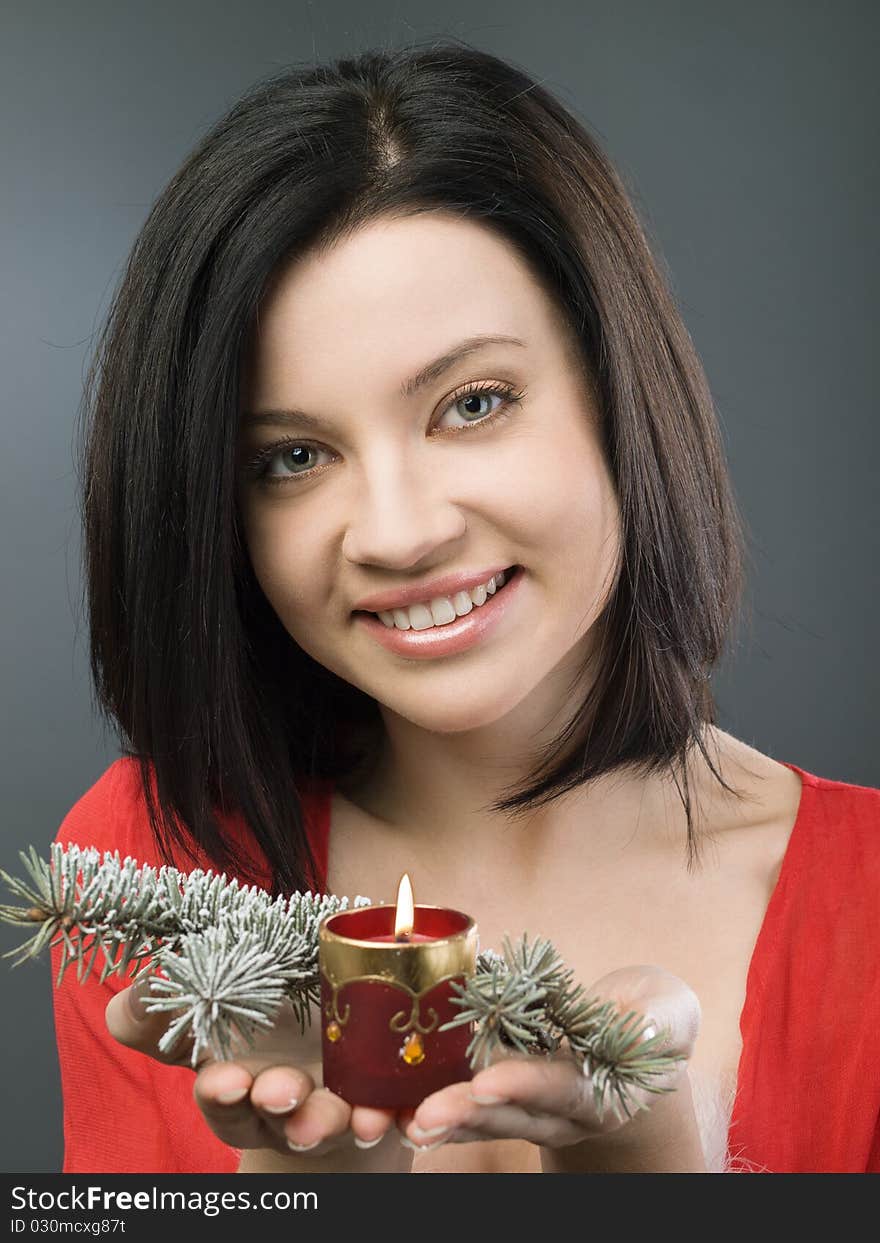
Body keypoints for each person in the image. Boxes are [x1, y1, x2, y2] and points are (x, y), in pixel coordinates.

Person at [49, 41, 880, 1175]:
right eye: (292, 456)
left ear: (616, 393)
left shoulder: (864, 908)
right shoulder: (155, 860)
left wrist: (647, 1164)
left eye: (472, 402)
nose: (396, 531)